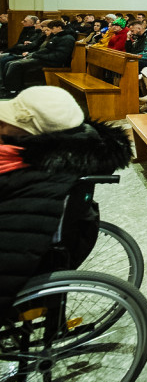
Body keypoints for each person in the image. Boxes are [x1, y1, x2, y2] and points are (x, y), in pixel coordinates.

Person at [0, 86, 133, 313]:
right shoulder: (26, 154)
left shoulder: (36, 181)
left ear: (32, 135)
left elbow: (12, 256)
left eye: (7, 121)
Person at [1, 20, 76, 95]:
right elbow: (46, 49)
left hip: (52, 63)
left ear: (59, 27)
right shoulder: (58, 36)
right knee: (9, 63)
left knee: (15, 65)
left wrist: (37, 55)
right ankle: (7, 87)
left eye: (52, 28)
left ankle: (12, 90)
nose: (51, 31)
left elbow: (59, 56)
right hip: (44, 59)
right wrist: (33, 54)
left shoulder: (67, 38)